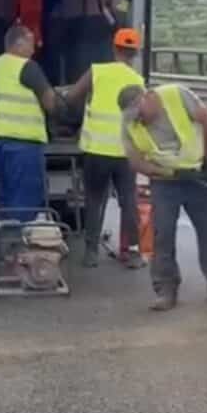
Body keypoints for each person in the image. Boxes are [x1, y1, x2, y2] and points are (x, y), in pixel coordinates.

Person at [118, 83, 207, 311]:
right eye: (134, 118)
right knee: (162, 235)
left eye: (140, 115)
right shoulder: (129, 123)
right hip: (165, 184)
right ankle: (166, 290)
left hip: (198, 178)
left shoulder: (176, 95)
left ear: (146, 99)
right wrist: (167, 172)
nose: (139, 121)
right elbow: (135, 161)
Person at [59, 27, 146, 269]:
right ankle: (135, 253)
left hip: (97, 151)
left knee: (94, 201)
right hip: (125, 154)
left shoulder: (97, 71)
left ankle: (91, 253)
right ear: (135, 53)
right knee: (128, 202)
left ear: (114, 48)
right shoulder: (138, 81)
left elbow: (71, 98)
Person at [0, 24, 63, 221]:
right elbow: (50, 103)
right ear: (18, 44)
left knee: (7, 198)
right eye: (30, 43)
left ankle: (5, 242)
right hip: (24, 143)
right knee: (25, 201)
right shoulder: (27, 67)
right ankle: (20, 246)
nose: (34, 48)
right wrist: (65, 105)